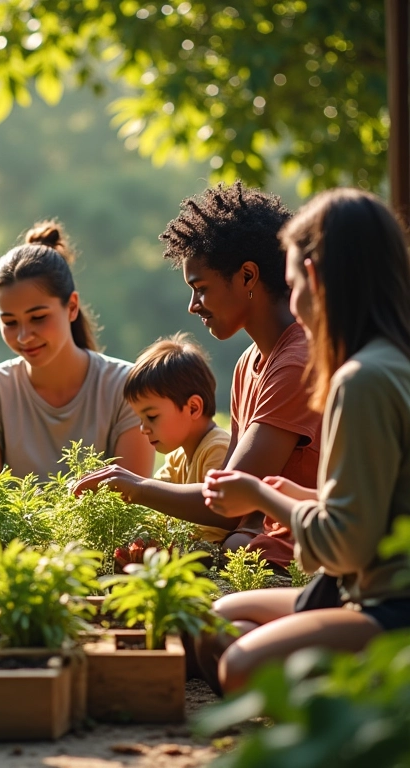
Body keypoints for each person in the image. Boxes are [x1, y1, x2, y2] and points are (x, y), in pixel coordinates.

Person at [198, 188, 410, 694]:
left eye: (291, 284)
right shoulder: (391, 361)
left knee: (237, 662)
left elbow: (343, 547)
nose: (293, 303)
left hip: (389, 602)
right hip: (368, 585)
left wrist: (261, 497)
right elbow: (381, 511)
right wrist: (304, 499)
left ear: (314, 279)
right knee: (220, 620)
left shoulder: (362, 380)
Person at [73, 181, 321, 568]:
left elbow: (227, 503)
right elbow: (237, 505)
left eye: (200, 288)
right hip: (256, 554)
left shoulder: (296, 361)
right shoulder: (248, 365)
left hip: (301, 561)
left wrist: (135, 487)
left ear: (248, 276)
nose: (193, 306)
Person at [0, 220, 154, 481]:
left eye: (38, 317)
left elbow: (131, 501)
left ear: (72, 307)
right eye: (9, 322)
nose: (24, 336)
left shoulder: (128, 386)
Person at [124, 332, 230, 543]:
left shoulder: (217, 449)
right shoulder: (177, 459)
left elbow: (216, 526)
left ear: (193, 408)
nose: (143, 428)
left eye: (152, 416)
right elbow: (153, 508)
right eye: (140, 418)